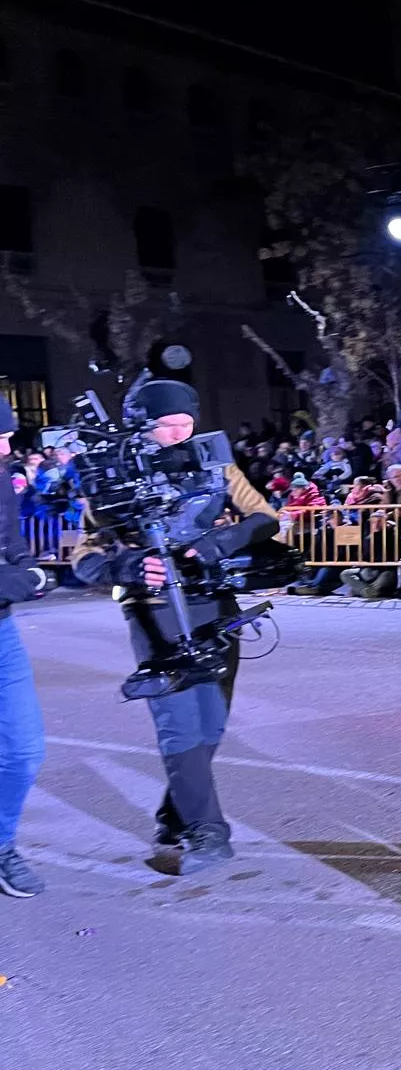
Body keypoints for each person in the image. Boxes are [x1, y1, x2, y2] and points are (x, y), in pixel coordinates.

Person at [71, 379, 281, 874]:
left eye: (188, 422)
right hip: (154, 609)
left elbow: (264, 517)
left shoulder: (213, 460)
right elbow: (84, 557)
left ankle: (176, 813)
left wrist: (217, 544)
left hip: (214, 601)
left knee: (212, 721)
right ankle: (207, 832)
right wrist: (127, 566)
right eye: (169, 425)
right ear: (143, 426)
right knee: (180, 719)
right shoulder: (113, 472)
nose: (181, 433)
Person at [0, 397, 52, 897]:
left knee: (25, 750)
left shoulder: (1, 477)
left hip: (2, 634)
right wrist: (13, 581)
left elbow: (12, 541)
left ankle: (0, 846)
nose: (6, 448)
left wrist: (29, 569)